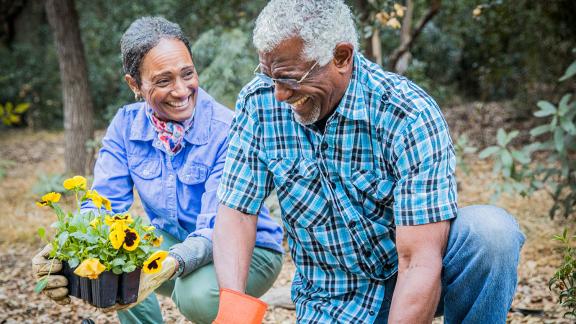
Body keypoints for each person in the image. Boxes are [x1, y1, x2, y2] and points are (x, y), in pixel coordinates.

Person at [212, 1, 525, 323]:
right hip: (332, 298)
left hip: (415, 279)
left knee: (491, 234)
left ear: (341, 57)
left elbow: (418, 260)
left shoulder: (407, 114)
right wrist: (235, 310)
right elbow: (236, 211)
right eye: (269, 77)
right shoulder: (258, 102)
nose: (278, 94)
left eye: (289, 78)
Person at [32, 16, 284, 324]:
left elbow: (215, 227)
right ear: (134, 84)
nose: (181, 91)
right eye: (163, 81)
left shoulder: (226, 129)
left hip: (250, 250)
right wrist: (66, 250)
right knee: (118, 260)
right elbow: (101, 206)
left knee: (196, 295)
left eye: (187, 74)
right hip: (177, 238)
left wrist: (174, 261)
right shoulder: (126, 126)